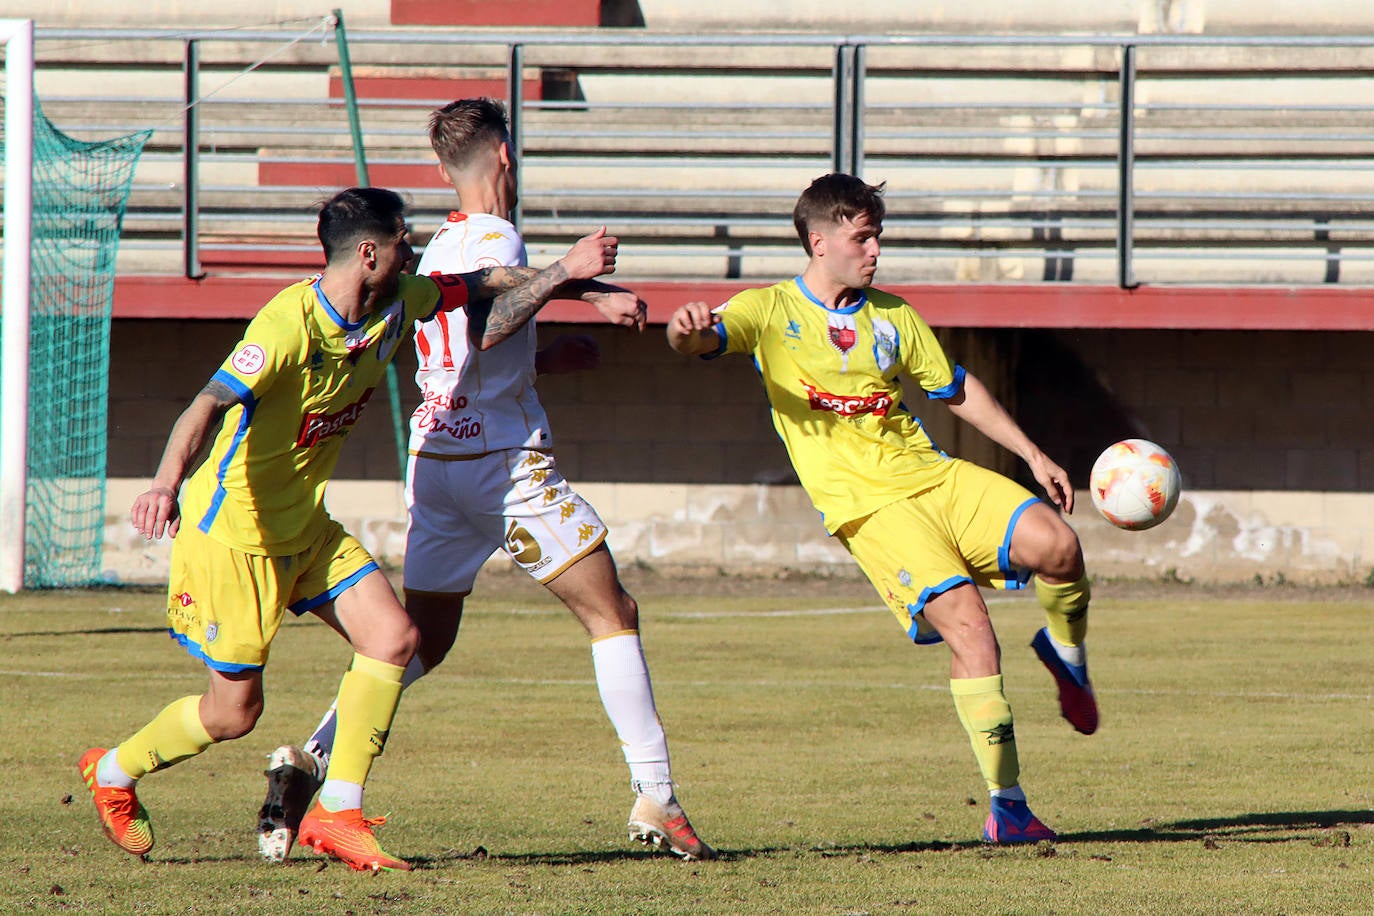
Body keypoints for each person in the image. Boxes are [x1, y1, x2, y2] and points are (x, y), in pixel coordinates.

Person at [78, 186, 619, 872]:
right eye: (404, 240)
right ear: (370, 252)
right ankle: (116, 772)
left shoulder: (399, 299)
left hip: (307, 529)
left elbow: (480, 284)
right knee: (232, 715)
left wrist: (582, 282)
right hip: (236, 540)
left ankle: (337, 812)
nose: (414, 251)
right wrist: (163, 483)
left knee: (395, 638)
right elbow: (205, 405)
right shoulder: (287, 325)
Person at [255, 99, 715, 864]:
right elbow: (487, 322)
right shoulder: (499, 234)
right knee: (613, 612)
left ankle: (306, 760)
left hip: (436, 464)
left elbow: (476, 330)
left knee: (421, 643)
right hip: (505, 470)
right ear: (506, 157)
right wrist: (575, 273)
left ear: (444, 170)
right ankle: (657, 796)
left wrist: (551, 343)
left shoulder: (430, 245)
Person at [665, 173, 1097, 844]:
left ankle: (1066, 655)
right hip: (870, 511)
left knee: (1061, 546)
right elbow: (702, 339)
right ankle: (1009, 808)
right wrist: (684, 329)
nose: (874, 251)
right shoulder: (769, 310)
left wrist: (1033, 454)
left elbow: (953, 390)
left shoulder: (892, 315)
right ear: (819, 241)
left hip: (935, 478)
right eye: (861, 238)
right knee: (971, 628)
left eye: (877, 237)